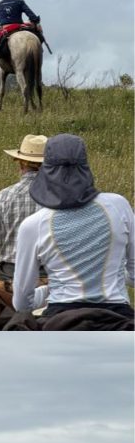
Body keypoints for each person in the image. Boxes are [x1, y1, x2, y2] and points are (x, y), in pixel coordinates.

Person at [9, 134, 134, 322]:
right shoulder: (119, 206)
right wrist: (110, 274)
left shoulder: (33, 225)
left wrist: (48, 290)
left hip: (60, 317)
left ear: (46, 170)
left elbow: (21, 303)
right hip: (118, 316)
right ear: (85, 167)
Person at [0, 134, 47, 283]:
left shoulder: (5, 197)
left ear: (21, 164)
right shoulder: (63, 197)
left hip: (10, 275)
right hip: (51, 276)